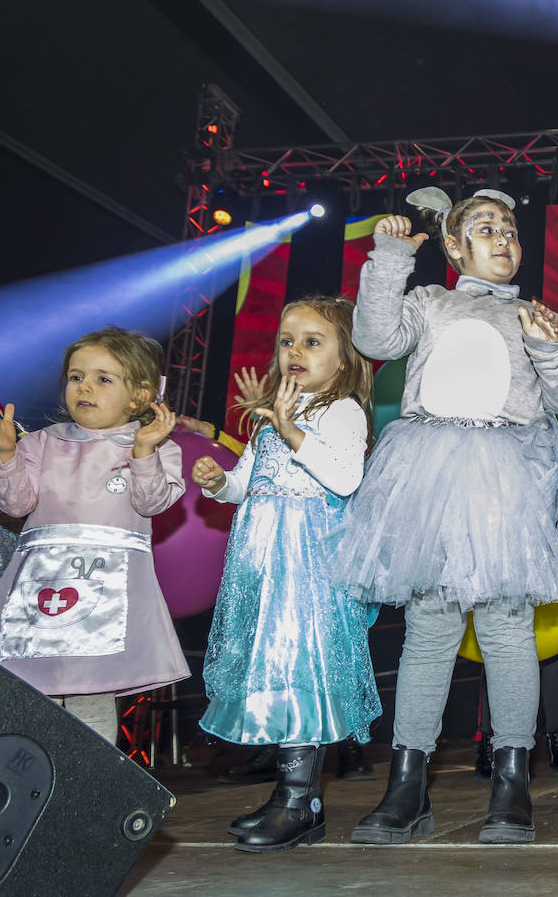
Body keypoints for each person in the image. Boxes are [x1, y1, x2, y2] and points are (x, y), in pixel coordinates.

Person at [336, 187, 558, 846]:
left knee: (507, 630)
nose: (503, 238)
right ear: (453, 246)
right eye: (485, 227)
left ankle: (512, 782)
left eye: (510, 228)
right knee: (429, 629)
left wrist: (553, 346)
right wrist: (389, 259)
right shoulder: (430, 302)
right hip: (431, 476)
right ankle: (407, 785)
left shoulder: (534, 314)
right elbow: (374, 337)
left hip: (505, 481)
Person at [192, 296, 381, 852]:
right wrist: (216, 482)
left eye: (312, 341)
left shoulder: (340, 411)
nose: (294, 350)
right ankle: (288, 795)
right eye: (286, 340)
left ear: (345, 358)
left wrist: (292, 429)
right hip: (262, 564)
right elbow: (245, 483)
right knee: (268, 667)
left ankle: (302, 801)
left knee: (299, 668)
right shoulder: (271, 418)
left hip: (307, 568)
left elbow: (345, 478)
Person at [0, 327, 187, 741]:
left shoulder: (157, 446)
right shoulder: (43, 442)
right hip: (39, 590)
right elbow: (16, 504)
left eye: (103, 378)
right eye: (76, 377)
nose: (85, 387)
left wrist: (143, 453)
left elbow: (151, 503)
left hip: (104, 593)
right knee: (32, 694)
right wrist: (6, 455)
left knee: (90, 697)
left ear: (140, 396)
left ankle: (91, 797)